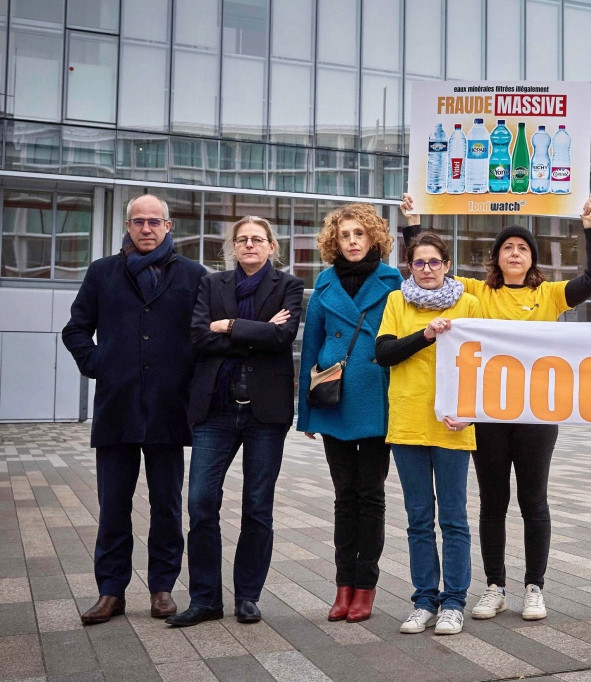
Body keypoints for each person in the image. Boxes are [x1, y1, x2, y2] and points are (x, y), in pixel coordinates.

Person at [399, 192, 591, 623]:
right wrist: (413, 226)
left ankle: (535, 587)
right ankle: (495, 586)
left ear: (532, 259)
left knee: (534, 502)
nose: (515, 253)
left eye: (523, 248)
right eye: (508, 248)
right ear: (497, 258)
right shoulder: (477, 292)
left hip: (535, 415)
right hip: (489, 416)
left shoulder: (549, 295)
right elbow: (426, 271)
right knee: (492, 503)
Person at [62, 194, 208, 625]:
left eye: (154, 221)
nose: (146, 228)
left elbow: (203, 338)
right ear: (128, 226)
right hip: (117, 408)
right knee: (112, 506)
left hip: (168, 410)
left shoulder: (193, 275)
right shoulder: (103, 272)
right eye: (138, 221)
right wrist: (98, 365)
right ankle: (111, 592)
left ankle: (162, 588)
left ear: (168, 226)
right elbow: (75, 329)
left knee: (166, 505)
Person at [166, 216, 304, 627]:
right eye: (242, 239)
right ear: (232, 245)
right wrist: (257, 331)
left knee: (258, 507)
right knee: (200, 502)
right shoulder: (212, 284)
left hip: (266, 412)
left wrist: (227, 326)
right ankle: (205, 598)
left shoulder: (289, 286)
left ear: (271, 246)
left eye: (257, 239)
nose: (249, 245)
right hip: (216, 409)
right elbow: (198, 337)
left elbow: (283, 337)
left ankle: (247, 596)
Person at [297, 204, 402, 623]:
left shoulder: (393, 282)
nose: (353, 241)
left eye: (360, 233)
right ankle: (342, 587)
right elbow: (310, 346)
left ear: (374, 237)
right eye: (345, 235)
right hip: (333, 399)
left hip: (376, 398)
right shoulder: (323, 284)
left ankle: (366, 587)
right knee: (344, 497)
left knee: (370, 496)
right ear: (334, 241)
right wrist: (304, 412)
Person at [374, 231, 480, 636]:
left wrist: (472, 414)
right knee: (419, 518)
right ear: (409, 267)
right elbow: (383, 354)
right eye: (419, 263)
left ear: (447, 265)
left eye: (434, 262)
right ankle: (423, 600)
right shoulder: (396, 301)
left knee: (453, 517)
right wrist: (426, 335)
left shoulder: (468, 303)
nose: (427, 269)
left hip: (453, 424)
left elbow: (482, 365)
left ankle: (454, 601)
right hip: (408, 423)